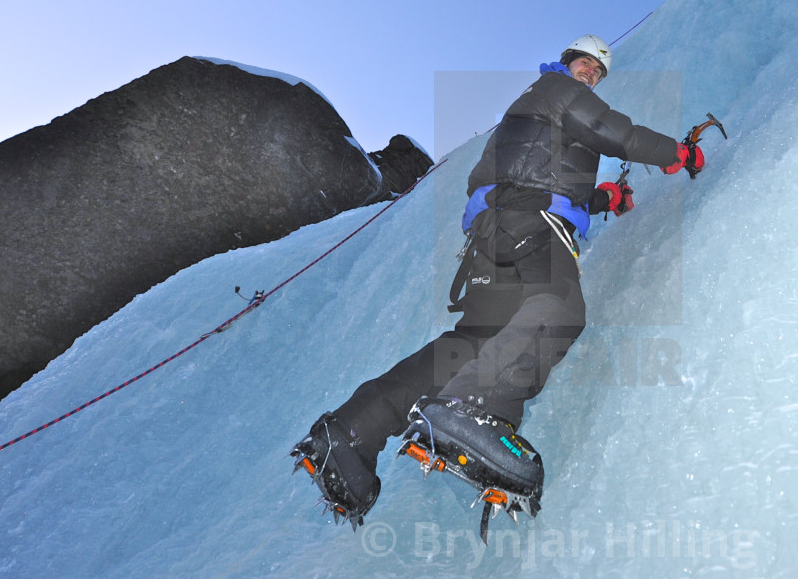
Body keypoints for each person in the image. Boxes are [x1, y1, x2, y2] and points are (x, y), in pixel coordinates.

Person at [291, 35, 705, 526]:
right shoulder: (557, 88)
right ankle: (474, 406)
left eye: (598, 71)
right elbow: (610, 129)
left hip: (499, 230)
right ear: (566, 62)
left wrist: (605, 199)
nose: (590, 73)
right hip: (528, 219)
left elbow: (548, 173)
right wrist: (677, 153)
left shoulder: (537, 110)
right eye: (585, 64)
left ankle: (349, 435)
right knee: (560, 308)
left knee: (473, 344)